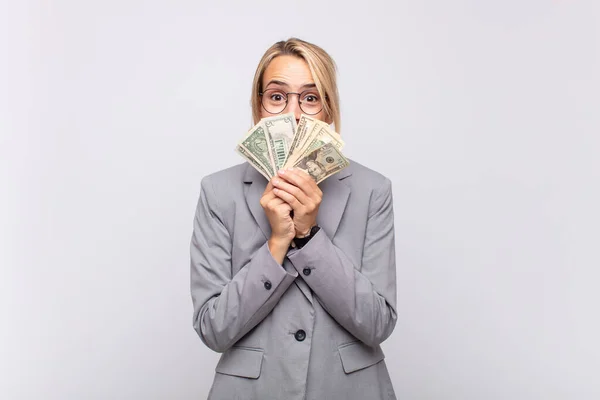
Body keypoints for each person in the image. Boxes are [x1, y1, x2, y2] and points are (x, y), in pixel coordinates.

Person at [190, 38, 398, 400]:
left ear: (328, 112)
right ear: (259, 109)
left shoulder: (372, 190)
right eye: (277, 97)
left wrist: (308, 236)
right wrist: (277, 243)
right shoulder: (217, 192)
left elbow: (378, 323)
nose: (295, 114)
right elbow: (213, 329)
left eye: (310, 98)